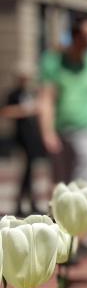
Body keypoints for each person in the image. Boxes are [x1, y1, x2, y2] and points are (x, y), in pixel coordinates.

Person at [37, 16, 87, 186]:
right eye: (86, 36)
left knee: (86, 186)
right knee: (60, 187)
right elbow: (46, 100)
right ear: (75, 36)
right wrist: (47, 133)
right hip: (62, 131)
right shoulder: (53, 61)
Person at [1, 70, 44, 215]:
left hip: (32, 137)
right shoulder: (13, 94)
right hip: (20, 138)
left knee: (31, 171)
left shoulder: (30, 93)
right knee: (25, 172)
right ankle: (21, 203)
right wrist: (23, 110)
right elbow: (6, 111)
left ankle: (30, 202)